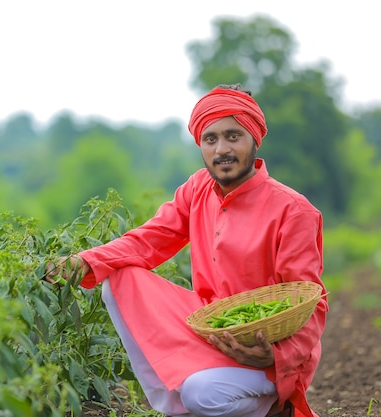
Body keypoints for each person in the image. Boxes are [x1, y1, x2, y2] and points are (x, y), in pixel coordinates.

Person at [45, 84, 328, 417]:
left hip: (263, 353)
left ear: (254, 139)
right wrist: (84, 261)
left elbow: (311, 300)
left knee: (200, 393)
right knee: (119, 278)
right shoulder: (198, 189)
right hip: (208, 332)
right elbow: (149, 240)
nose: (222, 149)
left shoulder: (294, 210)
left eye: (233, 136)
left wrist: (277, 355)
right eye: (210, 139)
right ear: (200, 145)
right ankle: (176, 409)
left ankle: (272, 409)